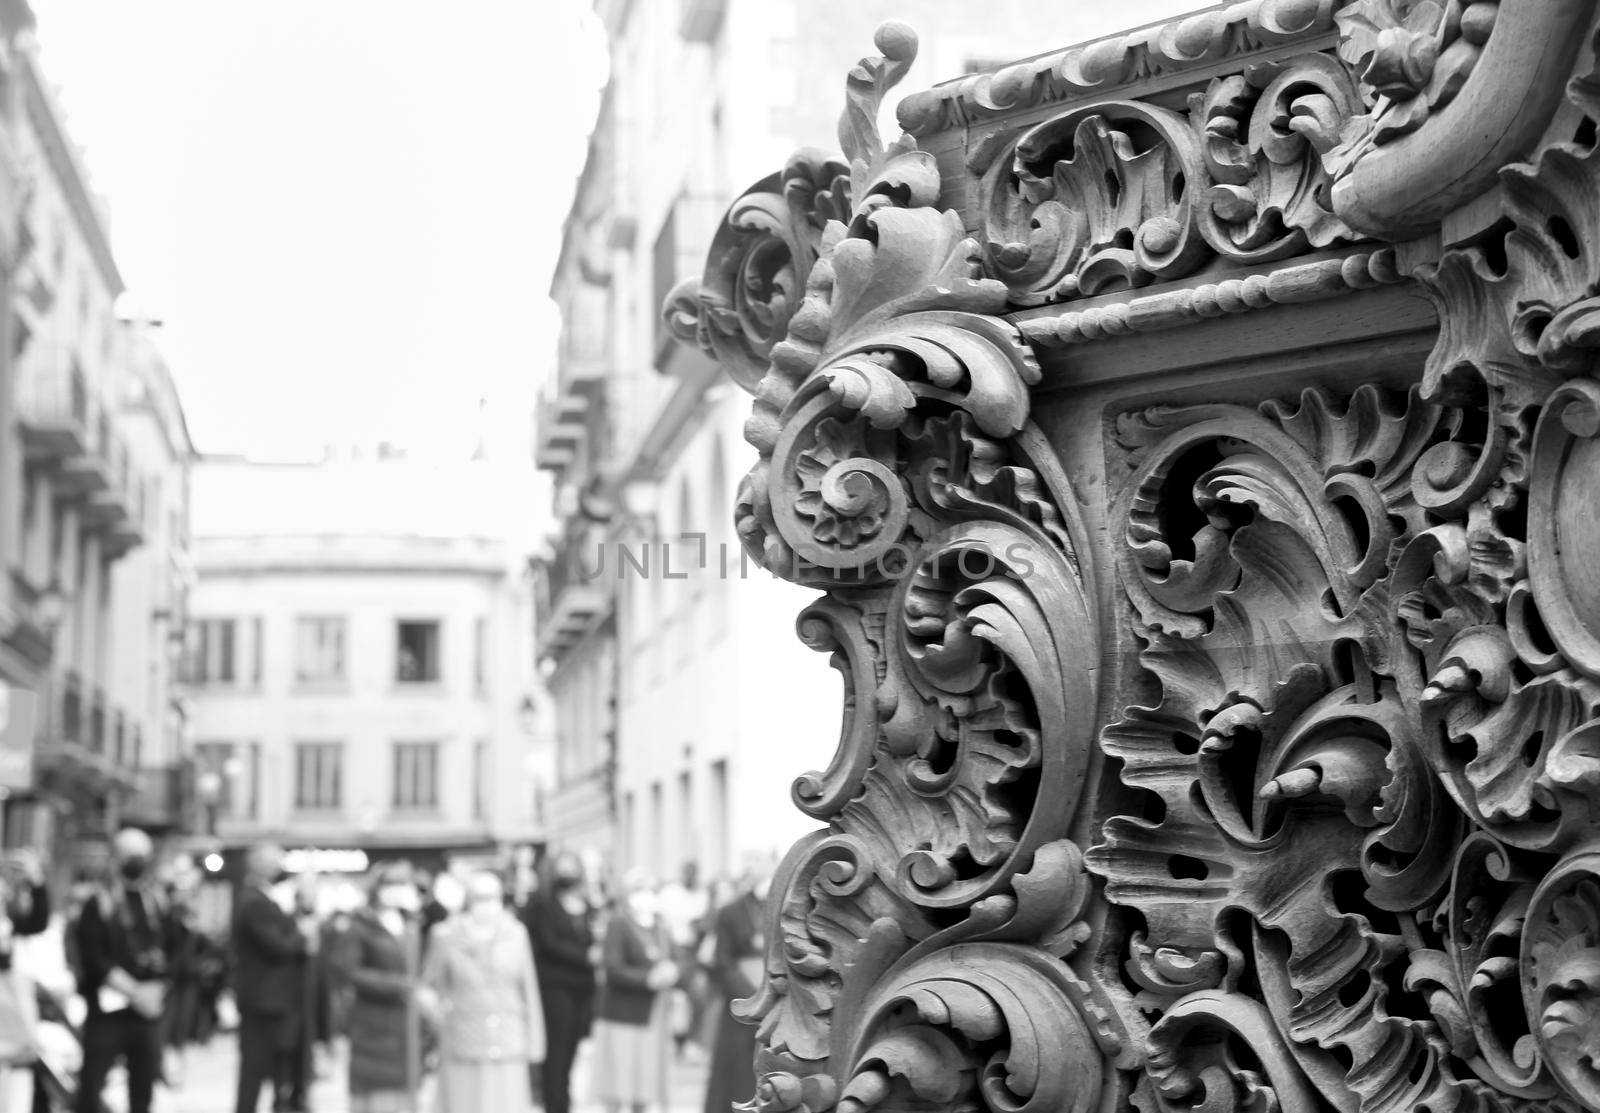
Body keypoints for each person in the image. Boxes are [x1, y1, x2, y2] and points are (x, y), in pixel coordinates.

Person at [73, 828, 178, 1113]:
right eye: (131, 855)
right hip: (108, 1010)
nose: (138, 861)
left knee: (143, 1086)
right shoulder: (99, 902)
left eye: (142, 855)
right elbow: (93, 957)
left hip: (147, 1012)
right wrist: (134, 992)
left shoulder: (158, 901)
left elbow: (176, 949)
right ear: (116, 858)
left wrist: (158, 988)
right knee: (92, 1085)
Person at [419, 871, 543, 1113]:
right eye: (479, 898)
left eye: (492, 897)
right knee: (464, 1103)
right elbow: (427, 986)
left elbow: (528, 988)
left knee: (506, 1103)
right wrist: (440, 1014)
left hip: (508, 1036)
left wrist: (535, 1041)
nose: (486, 905)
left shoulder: (516, 933)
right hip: (462, 1038)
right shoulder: (446, 935)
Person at [330, 861, 424, 1113]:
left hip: (405, 1019)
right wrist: (396, 985)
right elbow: (348, 971)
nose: (398, 890)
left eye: (403, 884)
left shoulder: (409, 923)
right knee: (377, 1088)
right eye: (392, 884)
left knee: (405, 1083)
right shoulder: (361, 925)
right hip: (374, 1017)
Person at [231, 843, 318, 1113]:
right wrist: (302, 933)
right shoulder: (252, 901)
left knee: (283, 1068)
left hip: (278, 1002)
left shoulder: (267, 899)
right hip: (263, 1003)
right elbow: (278, 947)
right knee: (254, 1071)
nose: (279, 866)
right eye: (274, 860)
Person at [592, 871, 677, 1113]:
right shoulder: (618, 924)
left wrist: (673, 970)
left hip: (654, 1012)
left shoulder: (660, 926)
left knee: (644, 1079)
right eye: (640, 890)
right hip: (623, 1012)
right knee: (619, 1079)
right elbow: (613, 967)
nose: (646, 896)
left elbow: (679, 957)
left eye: (651, 890)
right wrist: (647, 979)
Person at [521, 851, 594, 1113]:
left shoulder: (584, 904)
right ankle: (556, 1104)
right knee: (556, 1051)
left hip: (582, 988)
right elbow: (548, 943)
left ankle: (563, 1100)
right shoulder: (541, 905)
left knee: (572, 1049)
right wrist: (586, 956)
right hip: (555, 986)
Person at [702, 875, 769, 1113]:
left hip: (773, 997)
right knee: (735, 1064)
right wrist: (750, 995)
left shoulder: (782, 905)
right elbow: (723, 960)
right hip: (741, 999)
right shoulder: (731, 911)